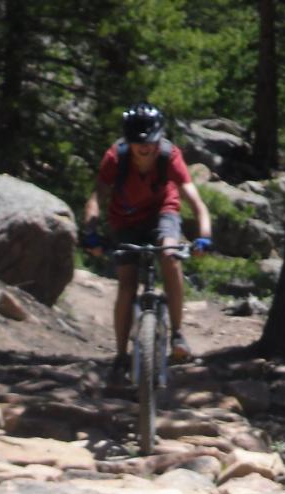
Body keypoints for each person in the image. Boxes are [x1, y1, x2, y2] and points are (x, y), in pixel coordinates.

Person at [82, 103, 212, 382]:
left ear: (158, 139)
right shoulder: (115, 158)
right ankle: (120, 356)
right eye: (138, 143)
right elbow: (96, 199)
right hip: (125, 221)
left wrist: (204, 237)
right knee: (127, 283)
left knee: (169, 255)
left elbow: (196, 203)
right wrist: (91, 233)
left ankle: (177, 334)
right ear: (129, 141)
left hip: (162, 214)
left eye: (150, 142)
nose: (145, 148)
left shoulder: (170, 156)